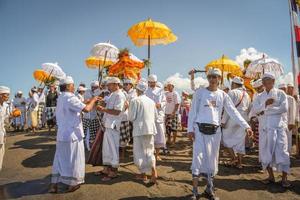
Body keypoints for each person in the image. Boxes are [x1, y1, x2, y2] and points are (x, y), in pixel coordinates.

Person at [187, 68, 252, 200]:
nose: (212, 79)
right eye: (210, 77)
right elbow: (193, 111)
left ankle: (209, 190)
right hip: (199, 130)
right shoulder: (200, 93)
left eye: (215, 77)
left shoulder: (223, 95)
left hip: (215, 132)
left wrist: (246, 126)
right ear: (208, 78)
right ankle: (194, 191)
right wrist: (190, 129)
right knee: (197, 159)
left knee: (212, 160)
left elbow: (233, 112)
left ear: (219, 79)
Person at [49, 76, 99, 193]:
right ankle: (73, 184)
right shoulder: (70, 97)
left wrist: (87, 101)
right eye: (72, 85)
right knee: (74, 160)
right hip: (72, 135)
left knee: (59, 159)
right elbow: (87, 109)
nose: (74, 87)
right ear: (68, 86)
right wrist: (93, 100)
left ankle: (54, 185)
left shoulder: (61, 97)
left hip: (62, 135)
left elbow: (78, 105)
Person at [251, 72, 291, 188]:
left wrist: (266, 111)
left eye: (269, 81)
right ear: (262, 83)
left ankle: (284, 179)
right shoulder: (259, 97)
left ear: (273, 82)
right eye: (265, 82)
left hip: (278, 128)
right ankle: (271, 176)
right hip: (264, 129)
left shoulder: (281, 93)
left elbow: (283, 108)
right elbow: (255, 110)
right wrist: (265, 104)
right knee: (265, 153)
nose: (267, 84)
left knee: (283, 152)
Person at [97, 77, 126, 181]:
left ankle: (114, 171)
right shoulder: (112, 94)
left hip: (113, 125)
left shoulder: (120, 95)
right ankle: (106, 169)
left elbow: (117, 111)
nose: (108, 86)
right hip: (108, 125)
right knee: (107, 149)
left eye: (109, 85)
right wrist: (101, 103)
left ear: (115, 84)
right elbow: (107, 105)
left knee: (113, 149)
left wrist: (103, 109)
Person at [128, 81, 158, 183]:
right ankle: (153, 171)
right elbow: (156, 117)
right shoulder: (151, 101)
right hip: (150, 129)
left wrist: (128, 108)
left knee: (139, 152)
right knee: (149, 151)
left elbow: (131, 117)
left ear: (137, 89)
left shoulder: (135, 100)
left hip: (139, 129)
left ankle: (143, 174)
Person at [221, 77, 251, 168]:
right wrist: (247, 122)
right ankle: (240, 163)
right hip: (244, 119)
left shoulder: (232, 92)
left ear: (234, 84)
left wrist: (223, 121)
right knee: (240, 141)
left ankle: (234, 158)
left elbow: (228, 108)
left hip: (232, 118)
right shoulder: (248, 95)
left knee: (225, 138)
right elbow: (249, 109)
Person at [145, 74, 167, 161]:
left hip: (159, 115)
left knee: (159, 135)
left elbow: (164, 101)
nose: (152, 84)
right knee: (150, 135)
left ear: (156, 82)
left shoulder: (160, 91)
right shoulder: (146, 91)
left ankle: (157, 154)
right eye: (151, 82)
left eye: (154, 82)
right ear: (148, 82)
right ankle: (150, 154)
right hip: (148, 115)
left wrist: (160, 104)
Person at [120, 78, 136, 158]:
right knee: (124, 135)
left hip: (133, 116)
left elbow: (134, 104)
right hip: (124, 117)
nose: (125, 86)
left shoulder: (135, 92)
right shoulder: (121, 92)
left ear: (131, 85)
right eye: (124, 84)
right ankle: (122, 153)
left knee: (133, 134)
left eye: (127, 84)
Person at [278, 83, 296, 154]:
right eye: (281, 89)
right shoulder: (276, 98)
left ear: (285, 89)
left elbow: (293, 112)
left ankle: (287, 154)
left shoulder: (290, 98)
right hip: (278, 123)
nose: (282, 91)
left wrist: (291, 123)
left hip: (288, 123)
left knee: (287, 139)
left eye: (283, 89)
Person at [83, 81, 101, 150]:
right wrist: (95, 97)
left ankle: (93, 146)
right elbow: (88, 101)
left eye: (96, 87)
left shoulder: (100, 92)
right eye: (93, 87)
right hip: (87, 116)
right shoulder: (87, 92)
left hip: (95, 116)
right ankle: (88, 146)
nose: (94, 88)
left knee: (94, 133)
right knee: (87, 133)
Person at [249, 79, 264, 146]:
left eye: (258, 88)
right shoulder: (256, 95)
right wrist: (252, 118)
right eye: (256, 89)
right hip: (258, 119)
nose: (257, 90)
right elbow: (254, 108)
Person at [0, 86, 11, 171]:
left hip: (2, 133)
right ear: (1, 95)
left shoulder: (5, 106)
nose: (8, 97)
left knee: (1, 153)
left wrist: (12, 116)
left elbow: (6, 121)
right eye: (6, 95)